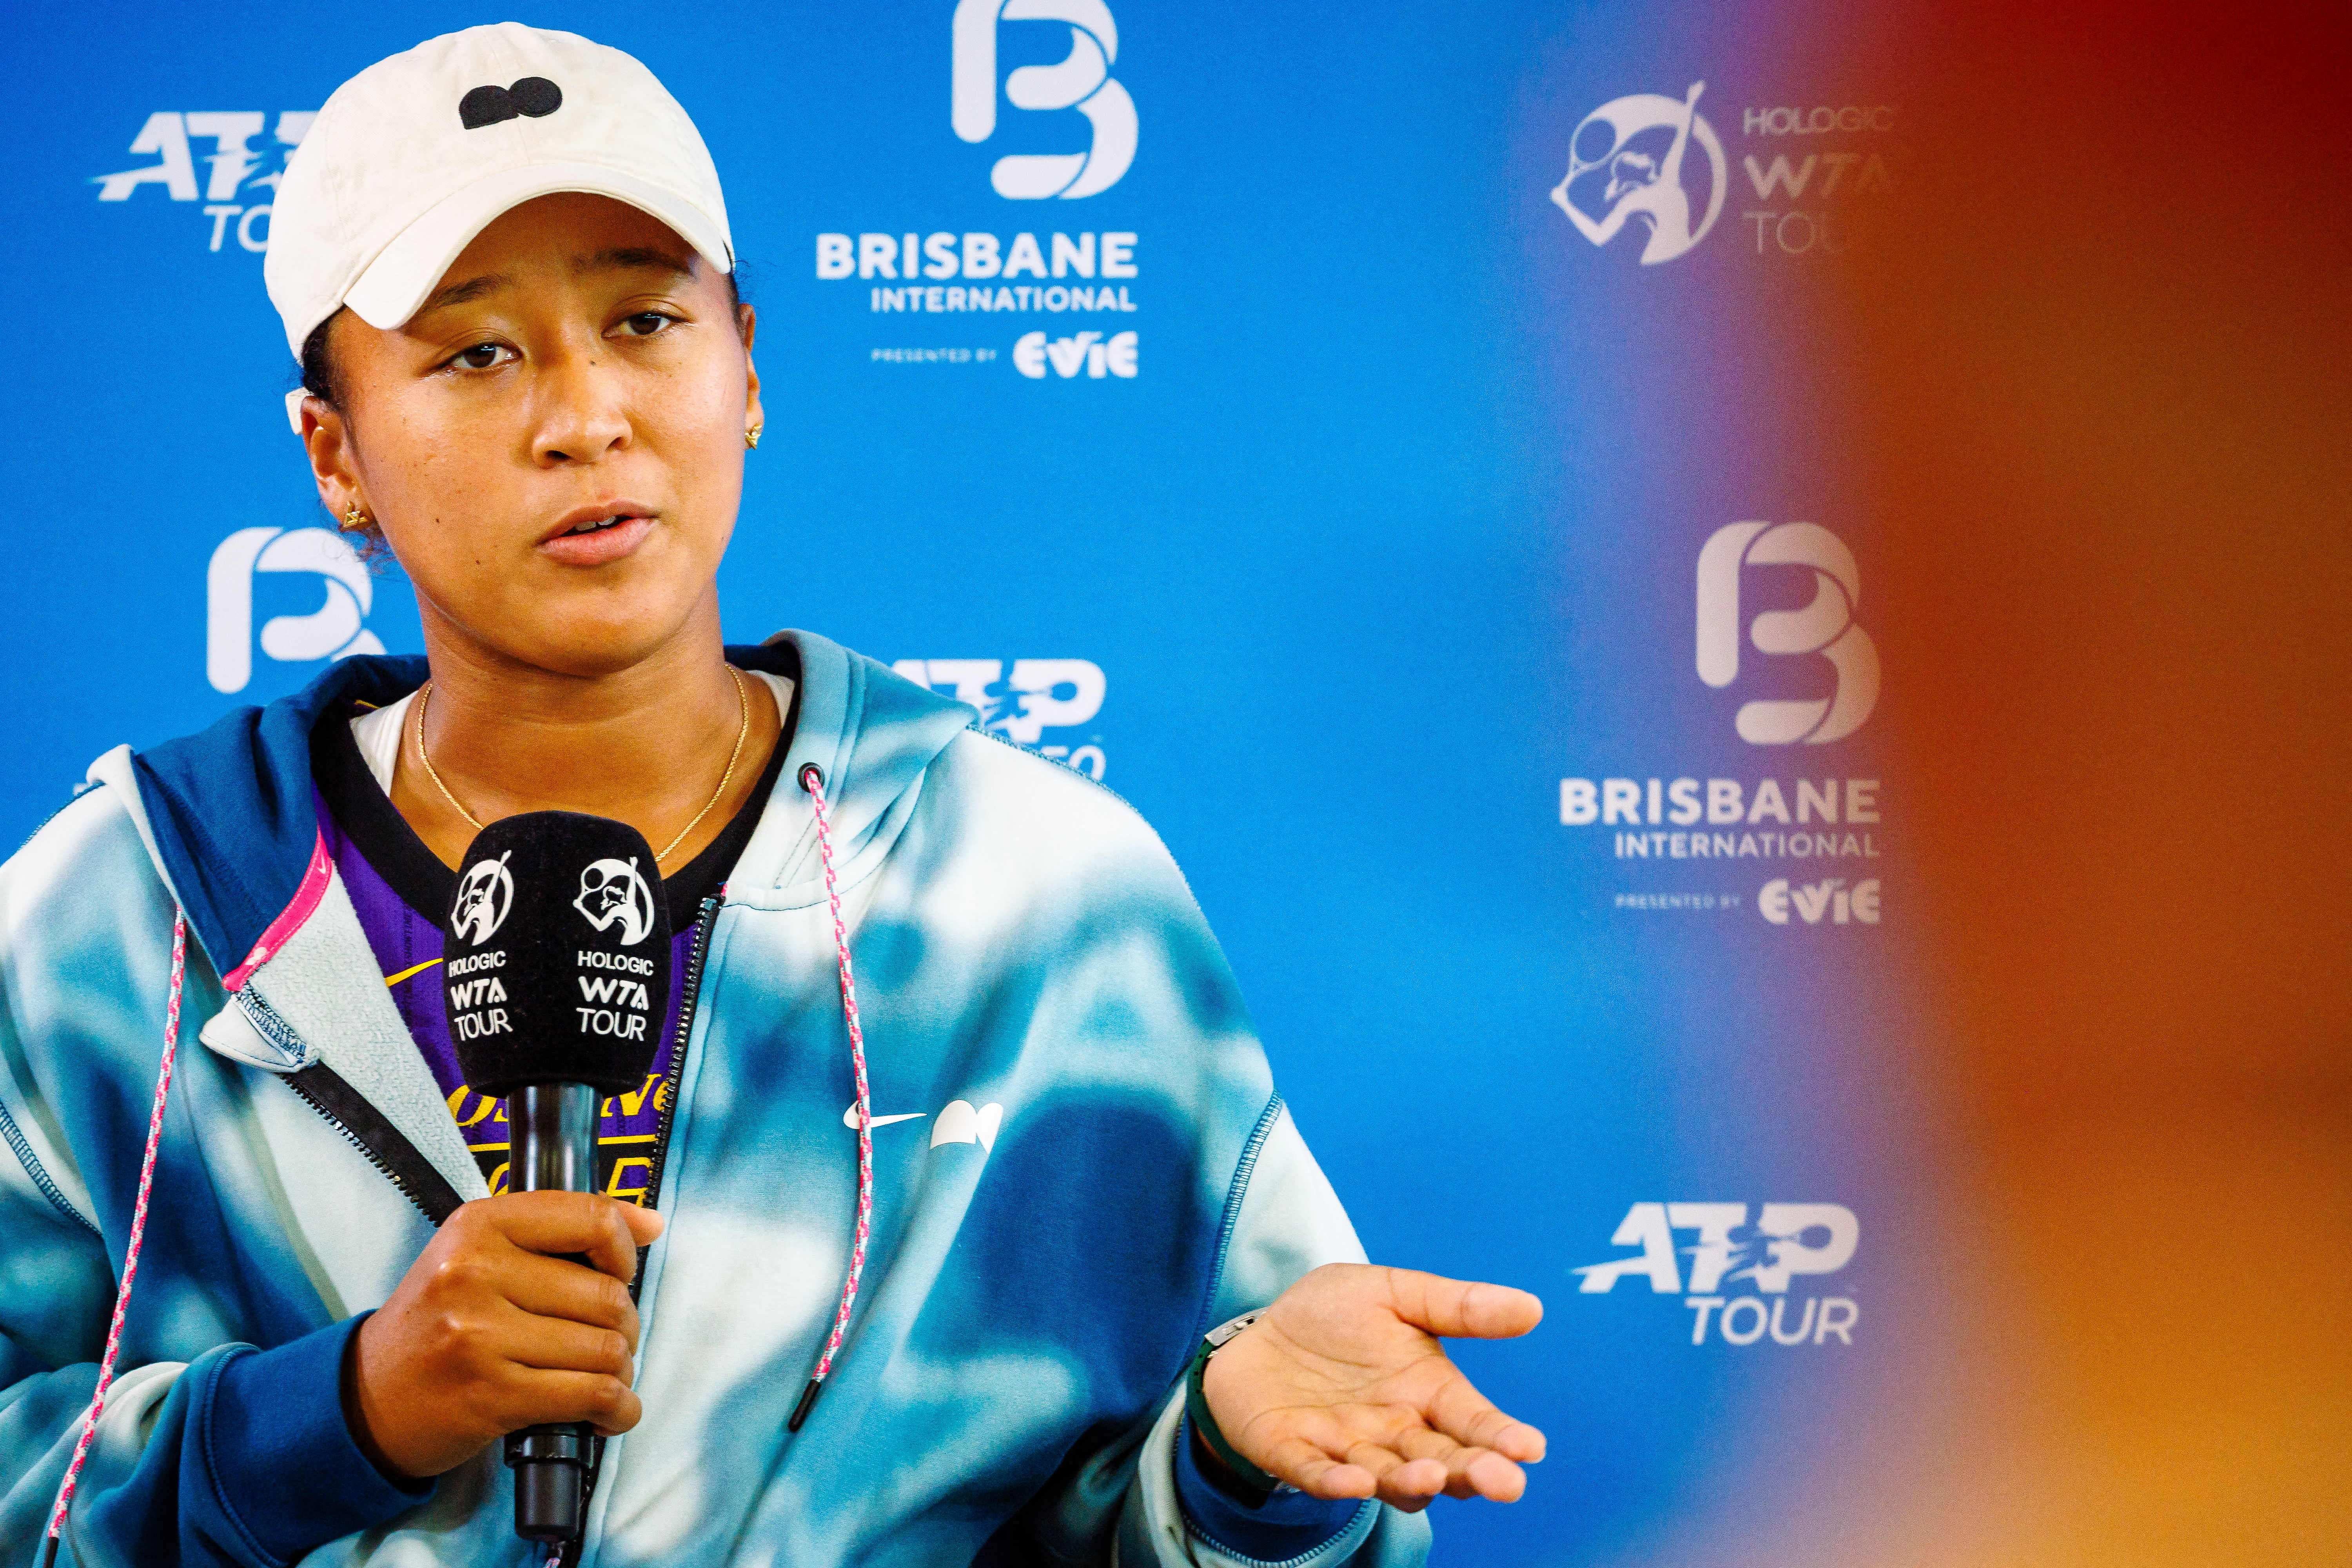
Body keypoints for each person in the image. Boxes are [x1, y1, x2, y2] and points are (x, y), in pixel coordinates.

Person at [0, 24, 1544, 1567]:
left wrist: (1235, 1469)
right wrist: (338, 1417)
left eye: (646, 319)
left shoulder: (1036, 893)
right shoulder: (118, 921)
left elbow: (1187, 1524)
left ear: (745, 366)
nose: (584, 413)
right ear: (335, 454)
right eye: (477, 351)